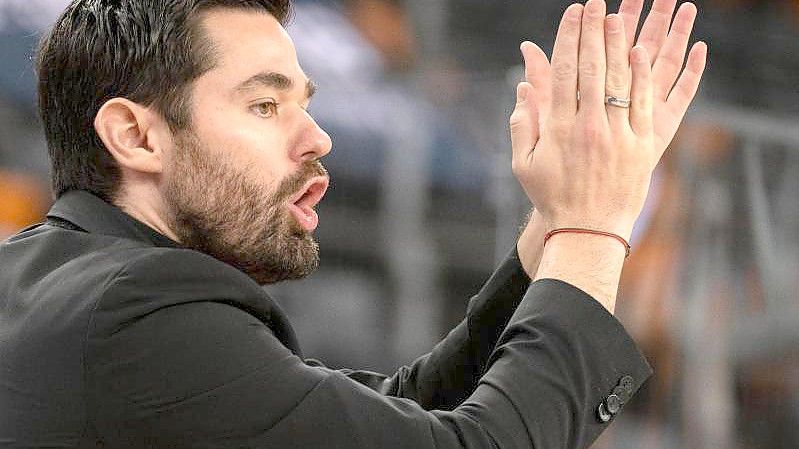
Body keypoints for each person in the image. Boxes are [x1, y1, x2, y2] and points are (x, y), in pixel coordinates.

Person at [0, 0, 706, 447]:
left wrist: (547, 230)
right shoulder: (138, 312)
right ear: (136, 135)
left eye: (305, 103)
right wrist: (594, 226)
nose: (317, 138)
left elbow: (388, 418)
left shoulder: (52, 277)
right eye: (264, 106)